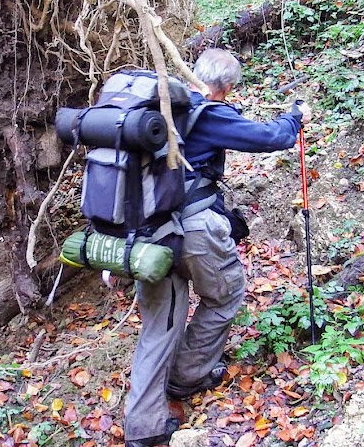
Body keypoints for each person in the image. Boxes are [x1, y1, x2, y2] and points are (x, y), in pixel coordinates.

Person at [124, 48, 312, 447]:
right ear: (226, 87)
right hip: (193, 229)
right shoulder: (208, 113)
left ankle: (143, 427)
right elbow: (271, 137)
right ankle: (187, 377)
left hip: (146, 234)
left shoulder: (157, 111)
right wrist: (295, 116)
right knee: (224, 297)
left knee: (159, 326)